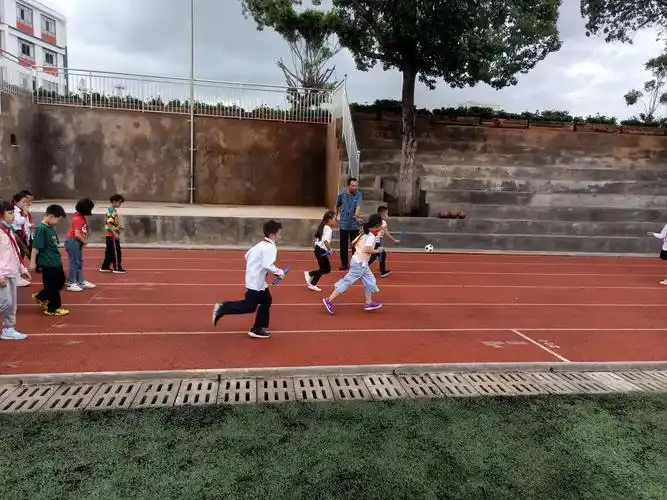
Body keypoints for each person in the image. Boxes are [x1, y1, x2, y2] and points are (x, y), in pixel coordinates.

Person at [212, 220, 285, 339]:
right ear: (272, 235)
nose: (280, 236)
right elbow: (267, 265)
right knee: (249, 306)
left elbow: (247, 256)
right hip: (255, 282)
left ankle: (258, 328)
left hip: (257, 280)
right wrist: (279, 273)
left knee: (266, 300)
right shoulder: (270, 247)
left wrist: (255, 268)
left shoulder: (260, 244)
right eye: (279, 234)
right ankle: (222, 307)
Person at [322, 213, 383, 314]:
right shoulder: (370, 235)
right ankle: (329, 300)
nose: (381, 228)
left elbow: (353, 243)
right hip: (359, 263)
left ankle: (368, 302)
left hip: (361, 262)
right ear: (377, 226)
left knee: (371, 281)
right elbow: (367, 249)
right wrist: (378, 250)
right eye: (380, 225)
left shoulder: (365, 233)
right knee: (347, 282)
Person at [29, 204, 69, 317]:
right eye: (58, 219)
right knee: (52, 285)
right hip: (48, 262)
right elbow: (35, 247)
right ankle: (53, 308)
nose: (58, 222)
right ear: (51, 216)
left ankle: (42, 296)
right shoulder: (41, 229)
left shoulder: (51, 227)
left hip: (55, 260)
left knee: (61, 281)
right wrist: (32, 262)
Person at [0, 200, 31, 340]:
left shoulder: (8, 230)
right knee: (4, 302)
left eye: (13, 213)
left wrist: (22, 268)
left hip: (12, 271)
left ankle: (8, 328)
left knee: (12, 304)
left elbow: (15, 251)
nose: (13, 216)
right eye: (10, 213)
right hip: (3, 274)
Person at [65, 198, 96, 292]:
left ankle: (80, 281)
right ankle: (71, 283)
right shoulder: (77, 218)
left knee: (79, 262)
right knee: (74, 262)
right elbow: (77, 234)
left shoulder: (81, 216)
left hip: (77, 242)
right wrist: (84, 241)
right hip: (73, 241)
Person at [334, 177, 362, 270]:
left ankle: (355, 263)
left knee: (355, 246)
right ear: (348, 186)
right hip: (343, 225)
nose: (355, 188)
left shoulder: (359, 194)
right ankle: (344, 263)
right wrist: (335, 217)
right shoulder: (341, 195)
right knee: (343, 246)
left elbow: (358, 206)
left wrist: (356, 215)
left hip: (354, 225)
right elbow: (337, 206)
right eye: (353, 186)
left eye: (356, 186)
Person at [304, 210, 335, 292]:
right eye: (334, 219)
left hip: (319, 250)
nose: (335, 221)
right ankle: (310, 274)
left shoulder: (324, 226)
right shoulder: (328, 229)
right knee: (327, 269)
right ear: (329, 220)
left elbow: (320, 239)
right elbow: (325, 241)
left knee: (322, 268)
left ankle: (313, 284)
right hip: (321, 251)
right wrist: (330, 250)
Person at [368, 205, 399, 278]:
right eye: (387, 213)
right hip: (376, 242)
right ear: (383, 214)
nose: (387, 215)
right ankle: (381, 271)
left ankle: (382, 271)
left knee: (378, 255)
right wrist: (394, 240)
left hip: (374, 241)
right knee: (377, 255)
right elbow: (387, 233)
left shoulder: (374, 220)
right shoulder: (383, 222)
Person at [100, 193, 127, 273]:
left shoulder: (110, 210)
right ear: (114, 201)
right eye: (119, 202)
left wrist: (118, 227)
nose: (120, 204)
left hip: (109, 234)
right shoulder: (111, 211)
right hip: (111, 235)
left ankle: (105, 266)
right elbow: (109, 223)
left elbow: (109, 222)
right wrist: (114, 233)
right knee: (116, 251)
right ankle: (117, 267)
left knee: (109, 251)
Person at [11, 191, 32, 287]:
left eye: (26, 202)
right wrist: (24, 214)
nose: (25, 204)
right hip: (17, 233)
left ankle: (18, 275)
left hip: (22, 234)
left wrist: (29, 231)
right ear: (16, 202)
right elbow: (19, 221)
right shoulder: (15, 211)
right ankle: (16, 277)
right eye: (23, 202)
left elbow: (26, 224)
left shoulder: (22, 211)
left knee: (21, 255)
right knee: (17, 255)